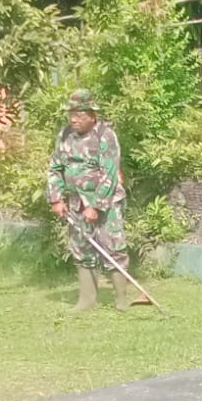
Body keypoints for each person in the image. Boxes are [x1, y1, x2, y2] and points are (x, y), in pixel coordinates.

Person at [46, 89, 131, 311]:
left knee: (113, 248)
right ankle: (87, 300)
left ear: (92, 115)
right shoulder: (65, 135)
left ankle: (121, 299)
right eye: (71, 114)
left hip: (106, 203)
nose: (74, 119)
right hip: (76, 203)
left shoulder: (105, 136)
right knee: (82, 249)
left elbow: (110, 174)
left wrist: (95, 205)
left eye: (79, 114)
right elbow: (54, 168)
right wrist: (56, 198)